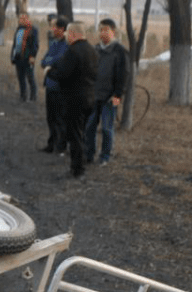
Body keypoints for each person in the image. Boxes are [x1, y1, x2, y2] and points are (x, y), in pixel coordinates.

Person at [47, 21, 98, 178]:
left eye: (68, 34)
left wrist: (49, 72)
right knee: (81, 133)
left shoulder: (73, 51)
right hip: (90, 97)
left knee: (74, 135)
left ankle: (77, 170)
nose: (66, 37)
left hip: (75, 99)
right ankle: (80, 165)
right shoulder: (92, 51)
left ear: (74, 33)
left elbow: (62, 74)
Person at [85, 18, 129, 166]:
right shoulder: (95, 49)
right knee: (89, 126)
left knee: (106, 128)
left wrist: (118, 94)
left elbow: (123, 75)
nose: (102, 33)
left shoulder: (119, 51)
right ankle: (89, 154)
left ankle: (105, 156)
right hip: (93, 95)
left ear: (113, 32)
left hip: (110, 97)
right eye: (100, 30)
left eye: (106, 30)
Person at [40, 17, 69, 153]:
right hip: (50, 85)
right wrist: (49, 62)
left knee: (60, 118)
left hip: (60, 87)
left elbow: (59, 60)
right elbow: (44, 60)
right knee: (50, 117)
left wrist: (50, 62)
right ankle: (51, 143)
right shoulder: (54, 43)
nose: (52, 29)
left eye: (54, 27)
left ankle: (60, 145)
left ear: (62, 29)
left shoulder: (67, 44)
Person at [10, 13, 39, 102]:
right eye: (20, 18)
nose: (21, 20)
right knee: (20, 77)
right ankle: (23, 95)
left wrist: (32, 56)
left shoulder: (33, 30)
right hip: (18, 57)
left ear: (28, 19)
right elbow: (15, 44)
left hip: (28, 57)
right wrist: (12, 56)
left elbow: (35, 45)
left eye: (23, 18)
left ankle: (33, 96)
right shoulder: (18, 29)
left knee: (30, 77)